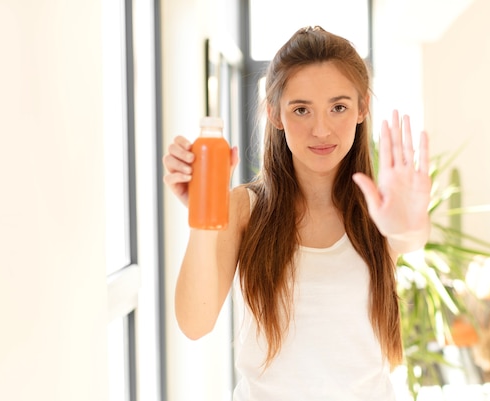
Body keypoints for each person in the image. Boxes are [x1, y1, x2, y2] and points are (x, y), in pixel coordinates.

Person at [162, 26, 431, 401]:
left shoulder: (380, 207)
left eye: (338, 107)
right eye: (301, 109)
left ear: (362, 107)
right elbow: (194, 323)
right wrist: (203, 216)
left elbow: (407, 238)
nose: (320, 129)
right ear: (274, 113)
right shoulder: (245, 209)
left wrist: (409, 227)